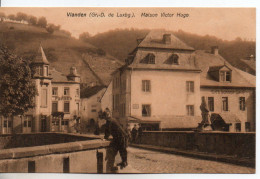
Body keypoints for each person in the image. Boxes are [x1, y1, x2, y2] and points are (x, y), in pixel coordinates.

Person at [102, 108, 128, 173]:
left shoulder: (112, 121)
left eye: (108, 115)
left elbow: (120, 130)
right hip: (117, 138)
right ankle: (121, 163)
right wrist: (105, 137)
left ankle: (124, 163)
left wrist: (106, 137)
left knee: (122, 150)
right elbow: (107, 131)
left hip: (121, 137)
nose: (107, 117)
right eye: (106, 115)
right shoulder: (109, 121)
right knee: (119, 151)